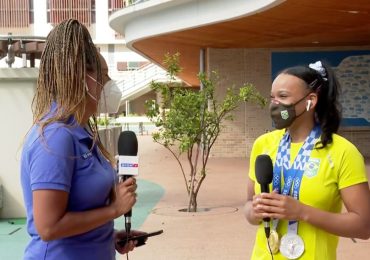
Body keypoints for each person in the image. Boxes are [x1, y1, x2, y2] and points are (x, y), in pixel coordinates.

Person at [20, 19, 144, 259]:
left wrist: (108, 236)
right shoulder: (56, 137)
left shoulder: (82, 131)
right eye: (104, 75)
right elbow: (49, 227)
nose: (109, 84)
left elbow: (82, 210)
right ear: (80, 77)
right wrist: (114, 209)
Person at [244, 60, 370, 259]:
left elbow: (364, 226)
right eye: (272, 97)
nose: (275, 104)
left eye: (283, 96)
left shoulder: (342, 152)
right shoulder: (263, 145)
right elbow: (249, 205)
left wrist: (302, 212)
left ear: (310, 100)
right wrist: (255, 212)